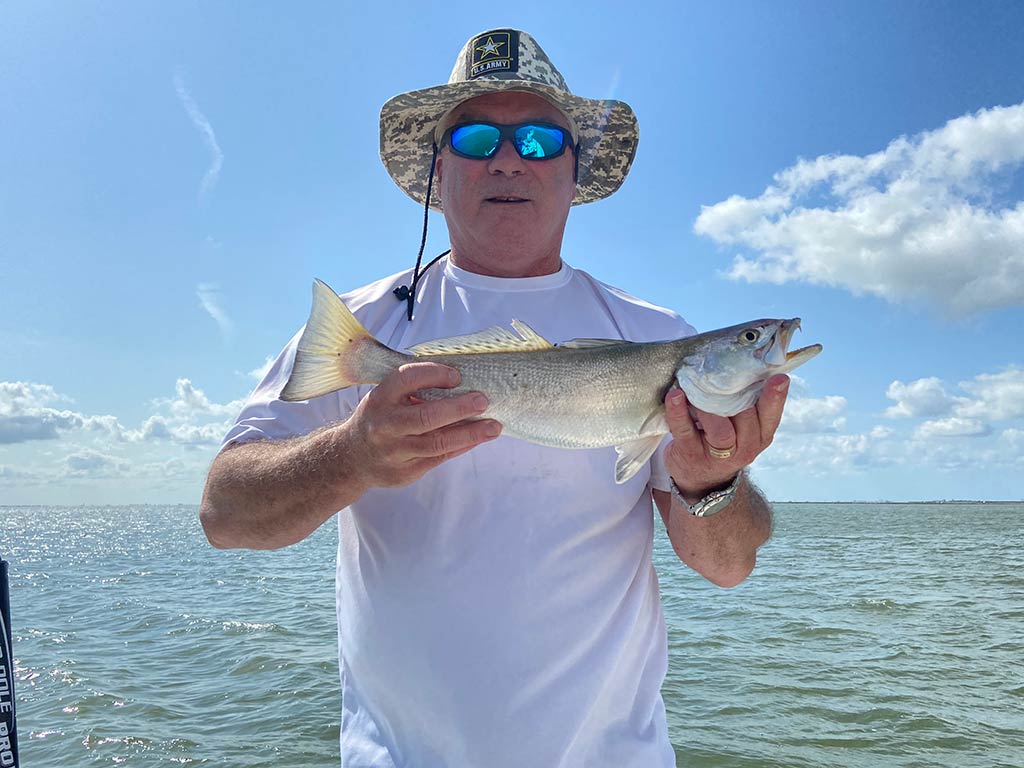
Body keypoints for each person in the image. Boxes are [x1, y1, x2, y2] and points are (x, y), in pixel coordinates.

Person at [200, 28, 787, 767]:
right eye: (477, 137)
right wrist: (352, 455)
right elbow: (224, 514)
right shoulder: (362, 331)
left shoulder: (655, 335)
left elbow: (728, 565)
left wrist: (714, 481)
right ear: (437, 172)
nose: (510, 158)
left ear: (574, 172)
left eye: (541, 140)